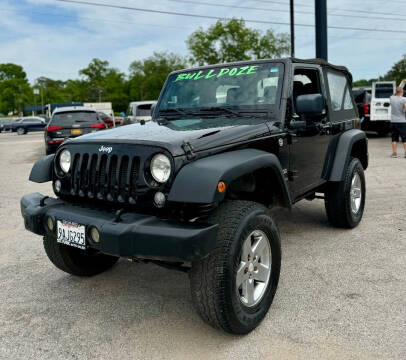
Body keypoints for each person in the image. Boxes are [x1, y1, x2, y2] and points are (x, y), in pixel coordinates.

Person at [390, 87, 406, 158]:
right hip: (402, 121)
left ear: (396, 92)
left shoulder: (391, 98)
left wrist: (395, 93)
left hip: (393, 121)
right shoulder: (404, 99)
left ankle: (394, 153)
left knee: (394, 137)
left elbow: (393, 95)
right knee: (404, 138)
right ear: (402, 92)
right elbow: (405, 109)